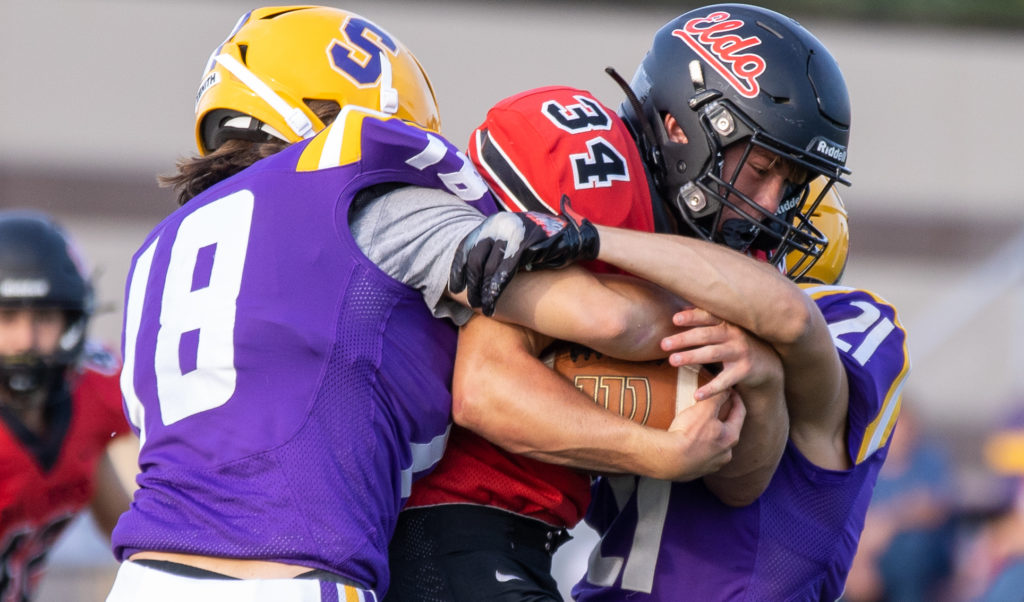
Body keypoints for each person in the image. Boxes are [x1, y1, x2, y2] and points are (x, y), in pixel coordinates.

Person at [105, 6, 748, 602]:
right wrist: (729, 322)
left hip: (140, 575)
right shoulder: (359, 197)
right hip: (291, 572)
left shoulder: (155, 255)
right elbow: (604, 318)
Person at [387, 4, 879, 601]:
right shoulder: (597, 171)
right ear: (681, 127)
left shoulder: (724, 256)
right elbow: (483, 384)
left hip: (528, 542)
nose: (771, 204)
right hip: (443, 521)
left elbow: (742, 481)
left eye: (791, 185)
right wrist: (659, 448)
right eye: (761, 168)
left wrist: (765, 378)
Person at [0, 210, 136, 602]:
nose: (26, 339)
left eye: (43, 316)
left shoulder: (91, 394)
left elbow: (133, 539)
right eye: (7, 316)